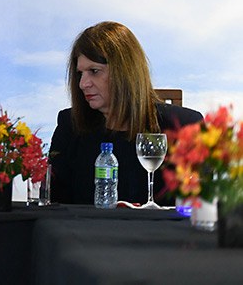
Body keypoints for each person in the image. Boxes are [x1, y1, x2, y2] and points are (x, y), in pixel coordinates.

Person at [49, 21, 203, 205]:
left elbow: (201, 205)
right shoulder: (69, 126)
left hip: (161, 234)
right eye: (80, 73)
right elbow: (53, 204)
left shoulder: (184, 127)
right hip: (84, 233)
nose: (83, 84)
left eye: (94, 71)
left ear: (125, 72)